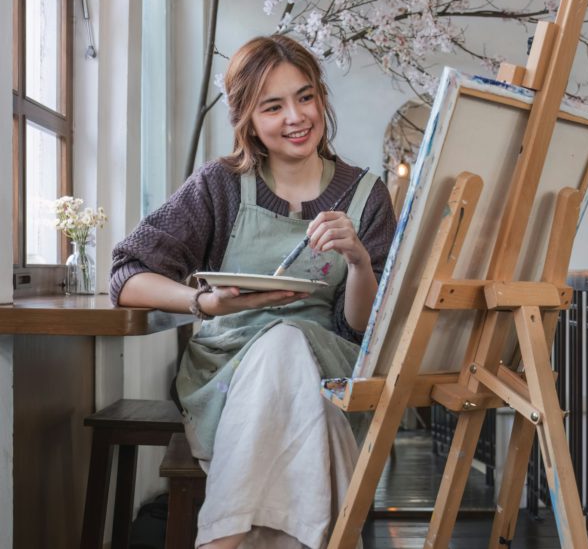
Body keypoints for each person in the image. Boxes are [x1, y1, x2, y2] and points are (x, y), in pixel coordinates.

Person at [110, 34, 396, 549]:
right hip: (228, 371)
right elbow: (128, 273)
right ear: (247, 118)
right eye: (273, 106)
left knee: (288, 343)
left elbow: (359, 327)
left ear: (321, 99)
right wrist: (203, 302)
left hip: (331, 371)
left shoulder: (368, 194)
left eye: (305, 97)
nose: (297, 117)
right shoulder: (220, 185)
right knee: (282, 358)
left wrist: (356, 260)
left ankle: (223, 539)